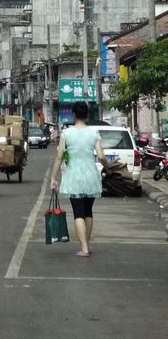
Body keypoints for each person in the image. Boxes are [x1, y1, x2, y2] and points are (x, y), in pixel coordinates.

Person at [50, 101, 110, 257]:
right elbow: (101, 156)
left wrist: (53, 178)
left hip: (73, 176)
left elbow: (59, 156)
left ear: (74, 115)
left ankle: (83, 247)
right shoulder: (94, 132)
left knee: (78, 213)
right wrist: (108, 167)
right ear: (88, 115)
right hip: (91, 175)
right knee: (88, 212)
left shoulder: (66, 133)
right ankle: (86, 245)